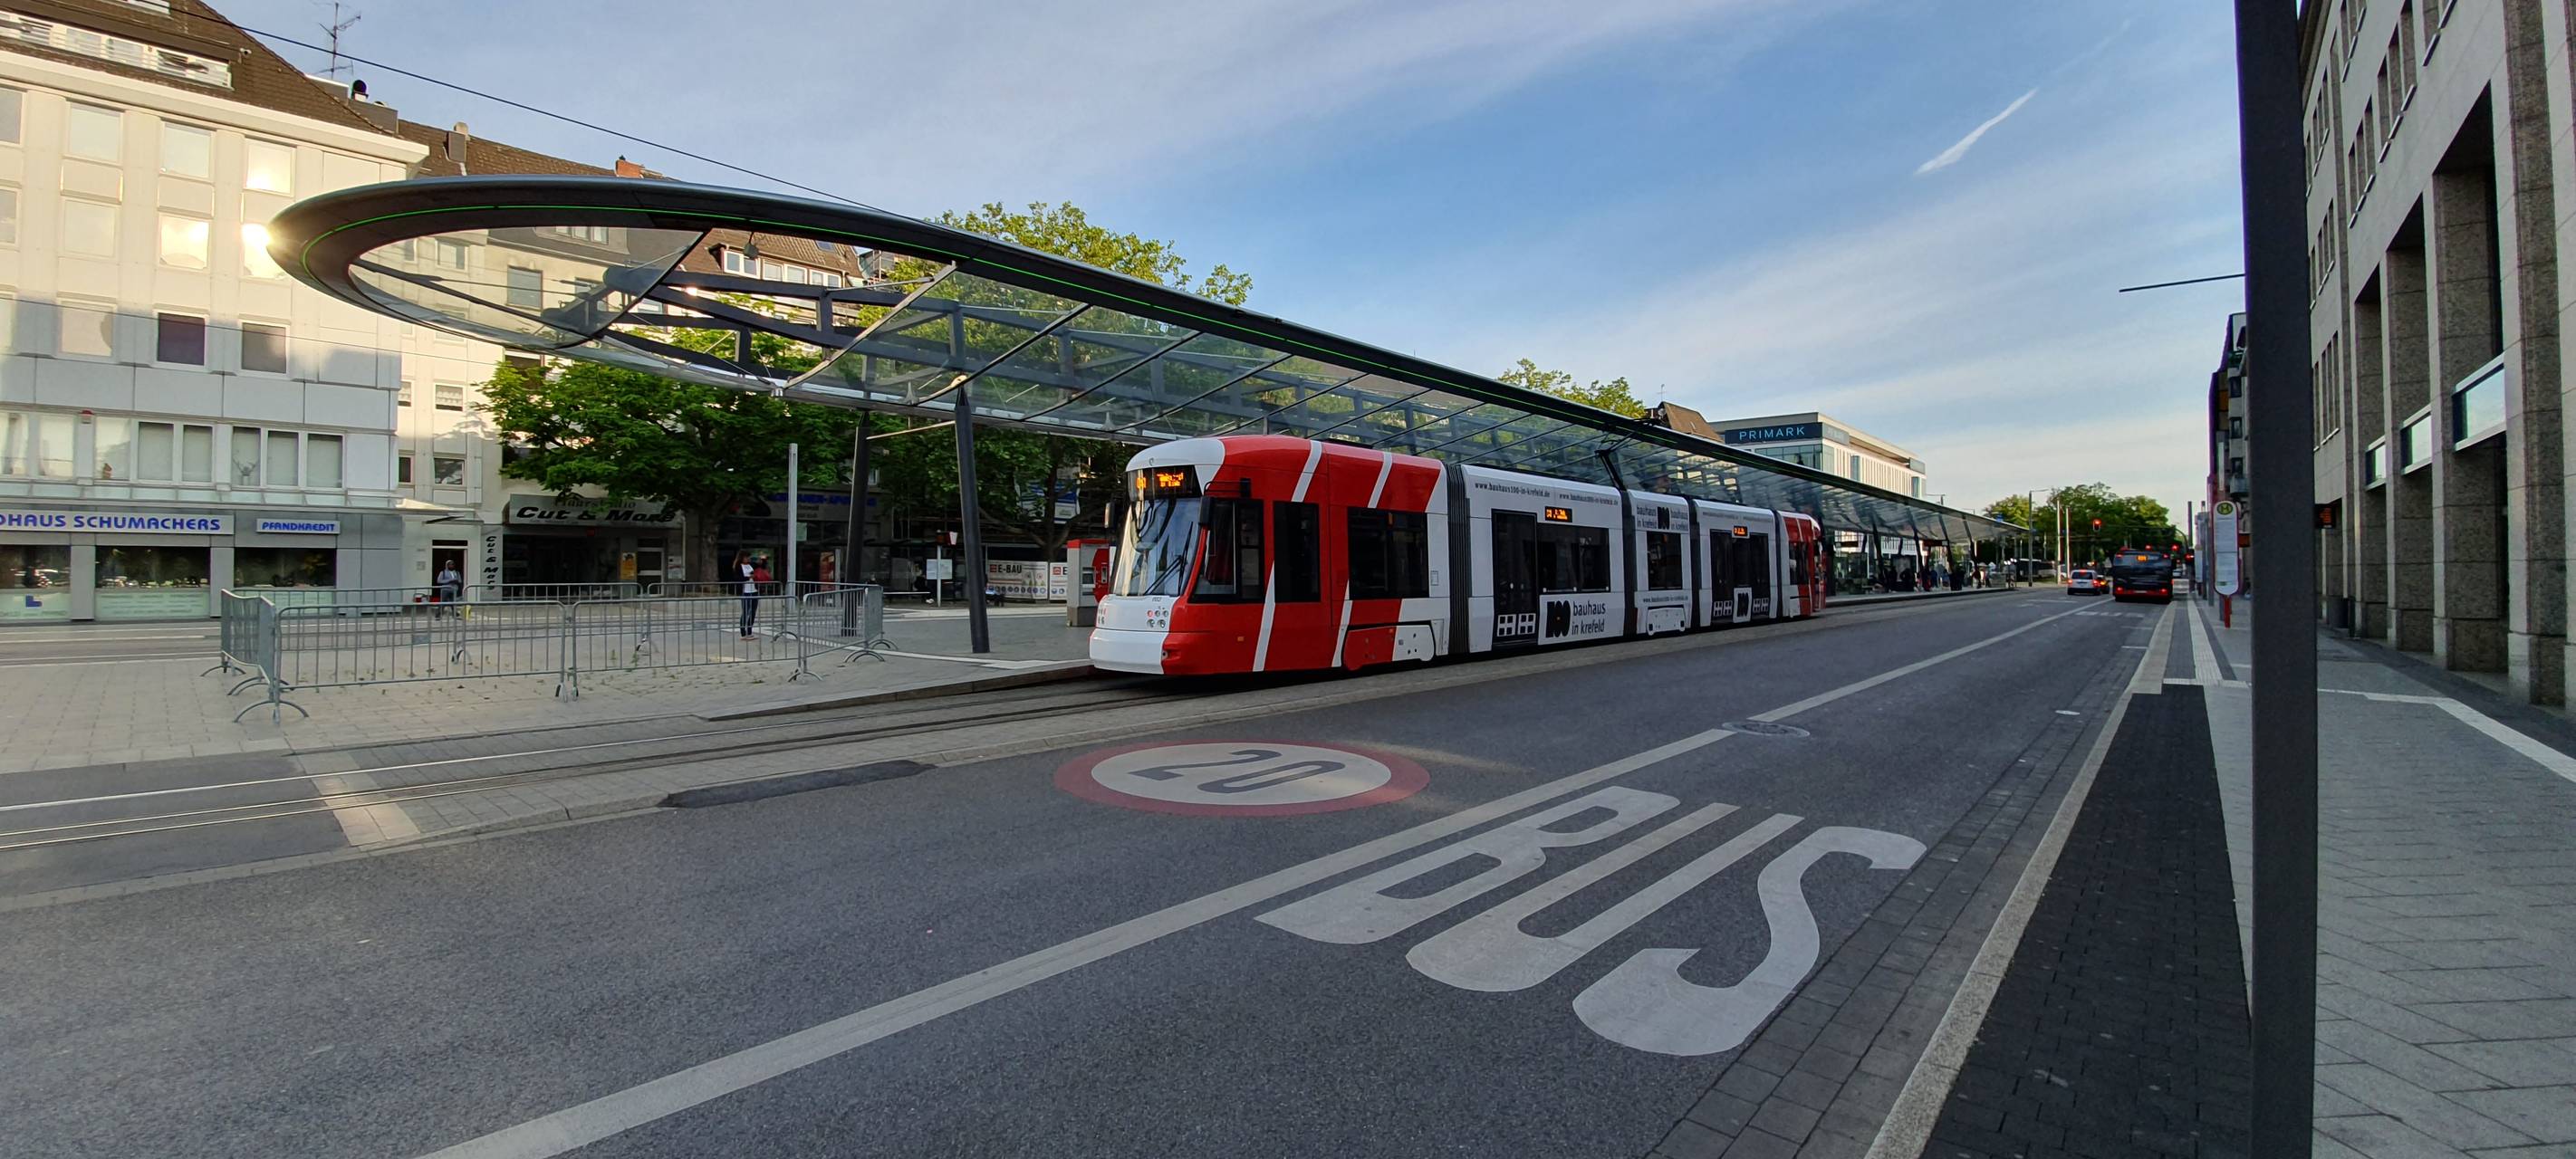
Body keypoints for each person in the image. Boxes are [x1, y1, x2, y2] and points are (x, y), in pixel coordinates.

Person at [736, 553, 762, 638]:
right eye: (746, 557)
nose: (747, 559)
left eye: (748, 557)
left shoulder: (751, 565)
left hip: (754, 590)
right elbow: (738, 578)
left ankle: (750, 631)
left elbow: (759, 566)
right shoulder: (739, 566)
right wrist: (749, 577)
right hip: (745, 591)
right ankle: (743, 633)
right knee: (745, 612)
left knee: (753, 612)